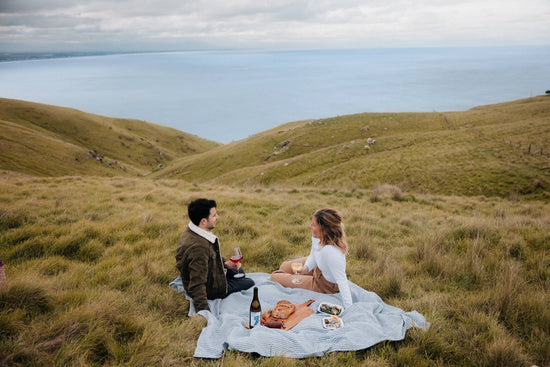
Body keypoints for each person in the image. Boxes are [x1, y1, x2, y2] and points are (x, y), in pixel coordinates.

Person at [176, 198, 255, 312]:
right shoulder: (198, 248)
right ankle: (226, 284)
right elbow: (197, 284)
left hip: (212, 273)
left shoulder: (193, 229)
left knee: (240, 272)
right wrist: (204, 311)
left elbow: (211, 255)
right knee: (249, 282)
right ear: (203, 221)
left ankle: (227, 273)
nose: (218, 217)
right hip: (212, 288)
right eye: (214, 215)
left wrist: (226, 264)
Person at [269, 208, 352, 308]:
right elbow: (314, 255)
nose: (310, 226)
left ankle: (285, 277)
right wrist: (305, 269)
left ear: (324, 230)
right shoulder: (317, 237)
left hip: (324, 285)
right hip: (318, 268)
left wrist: (349, 308)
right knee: (285, 266)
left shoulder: (331, 252)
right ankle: (289, 274)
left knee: (274, 277)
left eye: (314, 224)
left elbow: (342, 280)